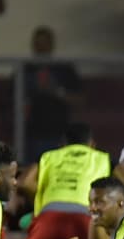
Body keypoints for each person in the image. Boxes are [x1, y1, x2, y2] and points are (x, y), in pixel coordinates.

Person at [23, 27, 83, 160]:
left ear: (51, 45)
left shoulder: (64, 69)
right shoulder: (25, 69)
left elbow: (80, 99)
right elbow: (12, 100)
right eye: (38, 45)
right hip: (32, 135)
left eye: (45, 44)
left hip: (58, 135)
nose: (41, 49)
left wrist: (57, 91)